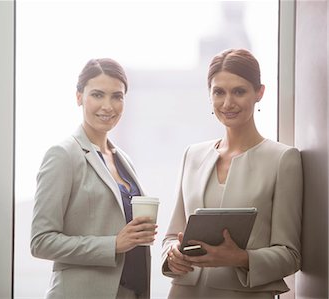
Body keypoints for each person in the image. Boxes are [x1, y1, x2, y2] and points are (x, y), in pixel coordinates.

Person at [161, 48, 303, 298]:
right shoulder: (192, 155)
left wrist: (240, 257)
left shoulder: (282, 159)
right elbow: (172, 236)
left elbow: (290, 255)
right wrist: (172, 253)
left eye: (239, 91)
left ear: (259, 93)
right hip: (185, 292)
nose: (227, 103)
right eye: (219, 92)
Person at [31, 58, 157, 299]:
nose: (108, 106)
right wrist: (113, 245)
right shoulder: (63, 155)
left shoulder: (123, 160)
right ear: (79, 97)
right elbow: (41, 241)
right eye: (98, 95)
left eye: (117, 96)